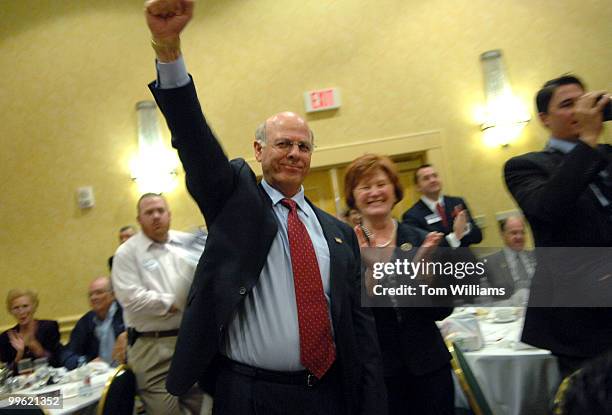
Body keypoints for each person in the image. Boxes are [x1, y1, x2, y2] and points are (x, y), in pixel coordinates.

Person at [144, 1, 387, 414]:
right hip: (249, 396)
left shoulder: (339, 233)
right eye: (283, 144)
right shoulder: (234, 202)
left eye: (303, 146)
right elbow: (194, 138)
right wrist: (169, 48)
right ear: (258, 150)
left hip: (328, 394)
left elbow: (360, 332)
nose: (294, 153)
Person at [504, 75, 612, 377]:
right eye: (567, 105)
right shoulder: (526, 166)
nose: (579, 110)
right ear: (544, 119)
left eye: (583, 101)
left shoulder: (608, 156)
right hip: (580, 321)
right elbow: (549, 208)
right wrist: (588, 141)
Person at [344, 154, 453, 415]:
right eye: (365, 187)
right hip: (378, 374)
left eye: (381, 184)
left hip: (429, 367)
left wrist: (425, 281)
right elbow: (346, 317)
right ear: (353, 196)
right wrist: (370, 277)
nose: (374, 193)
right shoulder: (343, 249)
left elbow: (444, 309)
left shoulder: (423, 240)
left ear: (394, 189)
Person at [111, 193, 204, 414]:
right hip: (152, 348)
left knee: (201, 408)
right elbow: (131, 298)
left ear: (169, 214)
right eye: (149, 212)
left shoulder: (185, 243)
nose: (156, 216)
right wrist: (174, 302)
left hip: (189, 342)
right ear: (139, 219)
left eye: (160, 211)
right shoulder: (127, 253)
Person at [402, 164, 482, 248]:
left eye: (435, 176)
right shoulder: (411, 216)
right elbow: (423, 251)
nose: (433, 180)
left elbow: (478, 237)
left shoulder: (457, 202)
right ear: (418, 187)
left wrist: (465, 228)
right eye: (426, 178)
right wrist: (456, 236)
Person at [63, 276, 126, 369]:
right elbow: (67, 353)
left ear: (113, 294)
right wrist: (84, 362)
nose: (93, 297)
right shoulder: (86, 321)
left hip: (127, 372)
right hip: (98, 376)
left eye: (99, 293)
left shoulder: (125, 314)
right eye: (90, 295)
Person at [0, 289, 62, 373]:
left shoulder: (49, 327)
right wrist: (19, 355)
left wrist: (40, 351)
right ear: (11, 311)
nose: (21, 311)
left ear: (34, 307)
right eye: (16, 308)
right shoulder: (6, 337)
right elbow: (7, 373)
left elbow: (58, 361)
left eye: (25, 306)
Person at [483, 215, 535, 305]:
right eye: (514, 233)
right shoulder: (489, 263)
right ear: (503, 234)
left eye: (522, 232)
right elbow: (485, 303)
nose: (519, 237)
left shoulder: (537, 256)